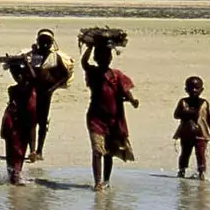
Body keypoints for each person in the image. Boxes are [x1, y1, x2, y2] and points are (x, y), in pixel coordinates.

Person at [82, 40, 139, 190]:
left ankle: (106, 180)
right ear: (96, 58)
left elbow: (126, 90)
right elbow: (83, 62)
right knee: (97, 150)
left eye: (106, 56)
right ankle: (97, 182)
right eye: (100, 56)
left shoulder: (117, 75)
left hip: (114, 120)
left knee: (109, 152)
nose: (104, 59)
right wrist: (89, 47)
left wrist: (133, 101)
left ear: (110, 58)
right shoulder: (93, 73)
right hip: (96, 118)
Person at [25, 29, 74, 162]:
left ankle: (39, 150)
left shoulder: (55, 58)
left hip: (46, 94)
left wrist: (52, 89)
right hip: (33, 93)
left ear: (52, 43)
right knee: (31, 122)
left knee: (42, 122)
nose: (45, 45)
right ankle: (32, 150)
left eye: (47, 42)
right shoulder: (32, 56)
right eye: (42, 42)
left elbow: (64, 75)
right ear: (38, 42)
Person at [0, 56, 37, 185]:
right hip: (14, 122)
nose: (16, 77)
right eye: (14, 74)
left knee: (20, 150)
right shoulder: (13, 89)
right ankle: (13, 177)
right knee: (13, 150)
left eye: (18, 74)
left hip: (25, 122)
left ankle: (15, 175)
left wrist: (26, 63)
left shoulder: (29, 87)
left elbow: (33, 77)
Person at [173, 76, 210, 179]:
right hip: (186, 134)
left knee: (201, 154)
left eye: (197, 88)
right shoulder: (183, 102)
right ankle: (181, 171)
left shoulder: (204, 103)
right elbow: (176, 115)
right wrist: (187, 113)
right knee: (185, 153)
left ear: (202, 89)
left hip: (201, 134)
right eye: (191, 88)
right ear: (186, 90)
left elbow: (209, 118)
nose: (194, 90)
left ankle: (202, 173)